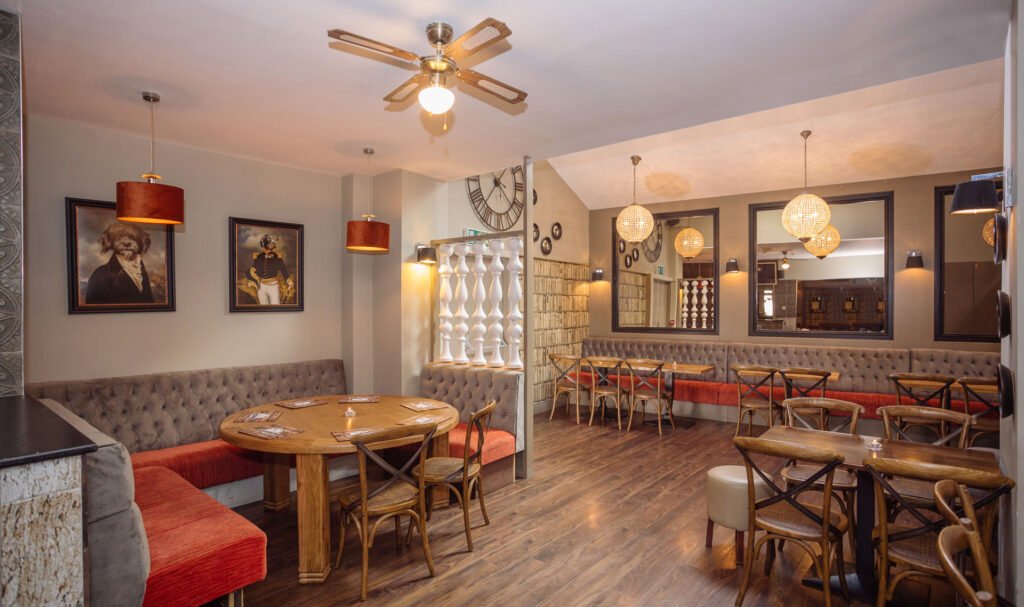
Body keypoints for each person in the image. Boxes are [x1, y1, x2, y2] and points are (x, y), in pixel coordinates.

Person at [85, 222, 154, 304]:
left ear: (141, 241)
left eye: (133, 238)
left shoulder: (142, 272)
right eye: (119, 237)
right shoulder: (100, 274)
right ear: (110, 241)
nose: (127, 242)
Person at [248, 234, 293, 304]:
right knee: (263, 308)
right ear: (263, 247)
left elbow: (283, 269)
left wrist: (288, 281)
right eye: (266, 248)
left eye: (270, 247)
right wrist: (253, 279)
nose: (269, 249)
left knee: (276, 307)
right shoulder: (258, 257)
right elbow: (254, 270)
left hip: (273, 286)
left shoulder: (277, 257)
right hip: (261, 287)